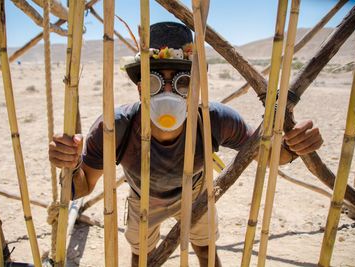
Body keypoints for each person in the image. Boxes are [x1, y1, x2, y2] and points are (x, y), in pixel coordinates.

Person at [48, 22, 323, 267]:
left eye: (182, 81)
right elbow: (80, 187)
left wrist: (295, 145)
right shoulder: (115, 127)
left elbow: (271, 156)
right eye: (156, 81)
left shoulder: (215, 119)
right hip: (143, 197)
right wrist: (69, 165)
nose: (168, 91)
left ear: (196, 87)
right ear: (140, 87)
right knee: (141, 257)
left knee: (206, 252)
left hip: (196, 192)